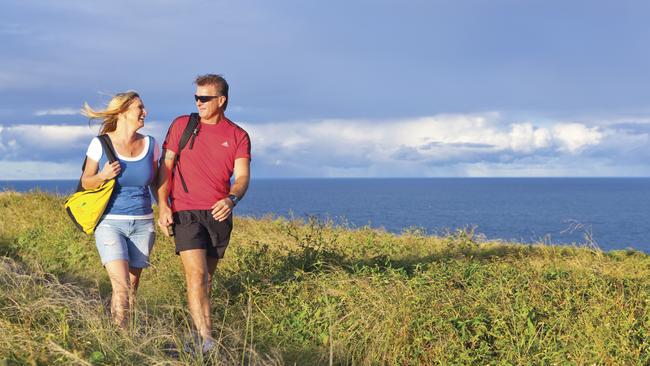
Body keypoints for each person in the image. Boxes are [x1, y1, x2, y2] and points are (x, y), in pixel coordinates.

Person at [157, 74, 251, 353]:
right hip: (185, 211)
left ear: (221, 101)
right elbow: (166, 167)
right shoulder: (182, 125)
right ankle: (207, 341)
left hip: (219, 215)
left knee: (206, 281)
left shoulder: (238, 136)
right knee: (196, 276)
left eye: (205, 98)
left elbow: (243, 176)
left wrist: (232, 198)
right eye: (196, 97)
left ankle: (197, 336)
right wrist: (162, 205)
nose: (198, 102)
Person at [81, 91, 160, 327]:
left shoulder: (151, 144)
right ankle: (118, 338)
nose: (144, 112)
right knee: (122, 286)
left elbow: (157, 183)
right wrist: (103, 175)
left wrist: (166, 209)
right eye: (140, 108)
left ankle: (128, 334)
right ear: (123, 112)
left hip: (143, 224)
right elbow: (86, 181)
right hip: (110, 223)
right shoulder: (100, 143)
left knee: (132, 288)